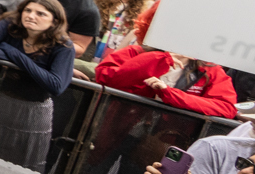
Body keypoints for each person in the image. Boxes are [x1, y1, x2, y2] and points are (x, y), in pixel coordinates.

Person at [0, 0, 77, 171]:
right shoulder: (10, 26)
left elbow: (56, 85)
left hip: (32, 109)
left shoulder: (63, 46)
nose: (31, 16)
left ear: (54, 21)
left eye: (40, 13)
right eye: (28, 11)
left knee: (20, 162)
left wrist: (13, 53)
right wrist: (32, 68)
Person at [93, 42, 236, 117]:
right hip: (115, 121)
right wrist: (159, 60)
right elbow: (106, 77)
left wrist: (170, 94)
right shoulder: (137, 52)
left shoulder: (210, 70)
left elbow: (226, 108)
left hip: (165, 137)